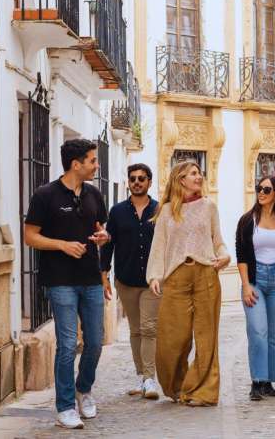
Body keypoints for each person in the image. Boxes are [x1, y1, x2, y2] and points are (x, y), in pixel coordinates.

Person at [24, 139, 110, 428]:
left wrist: (103, 237)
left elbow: (102, 229)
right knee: (67, 345)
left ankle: (83, 389)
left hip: (90, 279)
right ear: (76, 164)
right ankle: (64, 406)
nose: (96, 166)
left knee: (96, 342)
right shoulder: (45, 195)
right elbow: (30, 236)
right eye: (92, 161)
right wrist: (62, 245)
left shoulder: (94, 195)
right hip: (60, 281)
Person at [146, 161, 230, 406]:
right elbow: (158, 247)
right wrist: (154, 276)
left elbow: (218, 241)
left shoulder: (209, 207)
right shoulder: (167, 211)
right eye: (193, 173)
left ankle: (203, 392)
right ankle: (177, 387)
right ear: (180, 179)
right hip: (175, 279)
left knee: (207, 337)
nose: (199, 176)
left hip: (206, 274)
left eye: (199, 172)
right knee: (172, 339)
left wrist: (225, 256)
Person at [99, 163, 161, 400]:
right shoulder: (117, 212)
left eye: (142, 178)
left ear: (149, 182)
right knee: (136, 329)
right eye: (133, 178)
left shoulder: (160, 210)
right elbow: (108, 243)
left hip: (152, 281)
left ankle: (149, 378)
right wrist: (104, 274)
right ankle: (141, 375)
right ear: (128, 182)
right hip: (125, 280)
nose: (137, 182)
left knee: (149, 328)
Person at [235, 176, 275, 401]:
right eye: (259, 188)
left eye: (266, 189)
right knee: (258, 331)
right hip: (255, 279)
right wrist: (245, 286)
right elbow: (241, 255)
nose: (261, 192)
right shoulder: (247, 220)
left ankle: (269, 381)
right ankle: (257, 381)